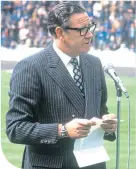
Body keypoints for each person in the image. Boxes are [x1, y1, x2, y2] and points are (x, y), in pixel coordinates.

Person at [6, 2, 117, 169]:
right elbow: (16, 128)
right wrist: (62, 130)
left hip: (92, 163)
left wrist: (107, 124)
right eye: (82, 30)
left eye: (90, 27)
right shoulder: (31, 67)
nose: (90, 35)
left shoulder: (94, 64)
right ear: (60, 33)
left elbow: (100, 111)